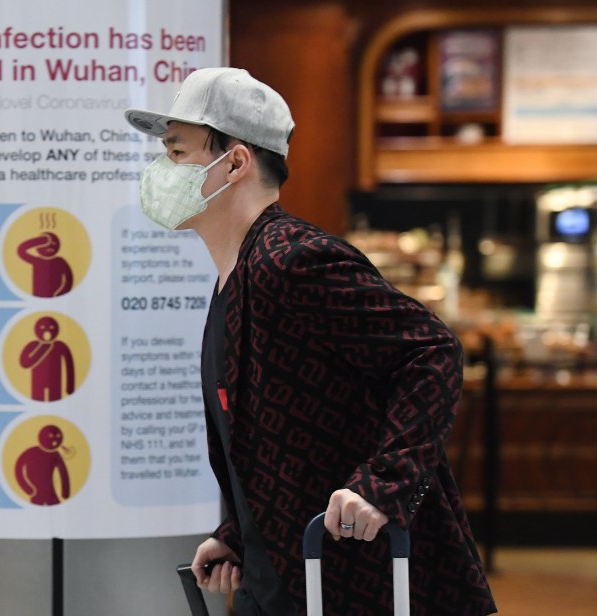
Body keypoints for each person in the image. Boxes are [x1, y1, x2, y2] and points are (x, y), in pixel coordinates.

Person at [124, 67, 496, 615]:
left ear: (235, 162)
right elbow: (271, 433)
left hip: (356, 582)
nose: (162, 169)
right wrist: (237, 533)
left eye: (178, 152)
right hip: (283, 575)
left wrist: (383, 484)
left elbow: (431, 352)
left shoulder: (292, 259)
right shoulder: (237, 275)